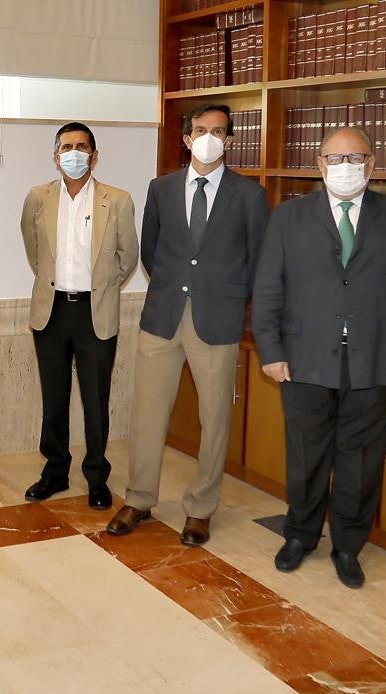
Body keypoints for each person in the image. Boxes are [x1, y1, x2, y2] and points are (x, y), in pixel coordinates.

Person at [252, 127, 386, 588]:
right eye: (334, 159)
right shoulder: (289, 217)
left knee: (360, 462)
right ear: (319, 165)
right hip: (302, 359)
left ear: (372, 165)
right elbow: (268, 288)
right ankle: (299, 534)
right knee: (305, 457)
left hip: (373, 360)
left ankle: (347, 546)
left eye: (355, 158)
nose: (345, 167)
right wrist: (271, 349)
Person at [107, 104, 269, 546]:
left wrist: (226, 295)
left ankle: (200, 508)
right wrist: (175, 286)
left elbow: (259, 260)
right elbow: (152, 250)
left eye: (218, 132)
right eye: (201, 130)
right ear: (186, 138)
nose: (209, 138)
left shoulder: (250, 195)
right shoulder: (161, 188)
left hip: (217, 319)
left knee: (214, 418)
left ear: (230, 140)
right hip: (162, 317)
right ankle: (139, 499)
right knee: (148, 413)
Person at [20, 122, 139, 511]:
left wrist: (100, 288)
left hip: (95, 312)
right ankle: (54, 471)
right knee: (54, 397)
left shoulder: (117, 200)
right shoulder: (38, 198)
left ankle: (96, 477)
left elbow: (127, 258)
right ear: (56, 157)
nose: (74, 153)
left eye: (82, 146)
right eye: (67, 147)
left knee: (95, 399)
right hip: (51, 311)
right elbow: (35, 252)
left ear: (94, 155)